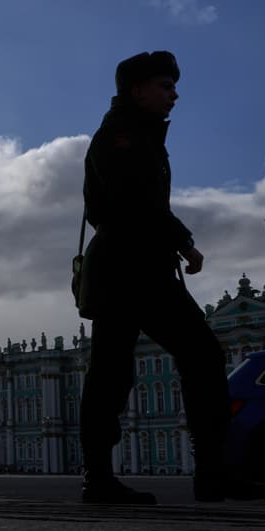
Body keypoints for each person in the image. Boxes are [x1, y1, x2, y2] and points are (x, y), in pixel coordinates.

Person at [77, 51, 231, 504]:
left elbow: (145, 204)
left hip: (137, 265)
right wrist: (183, 241)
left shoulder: (139, 134)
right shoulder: (121, 137)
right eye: (165, 86)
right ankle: (107, 477)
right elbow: (135, 204)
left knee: (118, 368)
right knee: (182, 356)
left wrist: (176, 241)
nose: (174, 95)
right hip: (128, 267)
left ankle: (205, 474)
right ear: (136, 89)